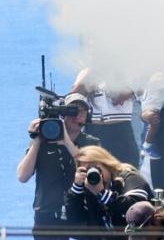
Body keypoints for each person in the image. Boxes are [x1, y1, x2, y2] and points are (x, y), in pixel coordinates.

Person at [16, 92, 99, 240]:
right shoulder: (44, 140)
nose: (77, 115)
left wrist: (66, 141)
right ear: (63, 114)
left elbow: (90, 169)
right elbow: (22, 176)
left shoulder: (92, 143)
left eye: (82, 112)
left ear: (87, 117)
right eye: (72, 110)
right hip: (47, 216)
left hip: (80, 214)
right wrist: (36, 142)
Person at [64, 145, 153, 237]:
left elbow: (135, 210)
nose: (93, 174)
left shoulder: (130, 178)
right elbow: (75, 221)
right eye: (86, 171)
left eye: (95, 168)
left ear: (107, 164)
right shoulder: (89, 189)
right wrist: (76, 188)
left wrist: (102, 193)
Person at [71, 69, 141, 167]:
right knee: (93, 174)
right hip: (93, 130)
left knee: (125, 174)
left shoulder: (127, 70)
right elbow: (73, 99)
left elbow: (120, 97)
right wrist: (86, 80)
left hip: (120, 131)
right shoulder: (86, 72)